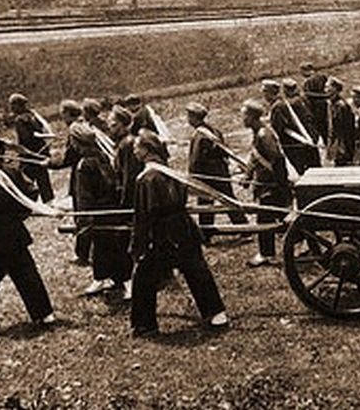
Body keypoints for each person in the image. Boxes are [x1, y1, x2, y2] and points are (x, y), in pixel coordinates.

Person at [129, 130, 228, 337]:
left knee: (143, 278)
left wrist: (137, 246)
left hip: (162, 235)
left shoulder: (145, 178)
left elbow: (143, 216)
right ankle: (217, 314)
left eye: (137, 147)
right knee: (196, 270)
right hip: (184, 228)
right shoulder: (170, 171)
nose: (134, 150)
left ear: (147, 150)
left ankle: (145, 326)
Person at [0, 133, 56, 331]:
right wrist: (18, 216)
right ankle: (44, 314)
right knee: (27, 273)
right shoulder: (11, 171)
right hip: (15, 233)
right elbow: (31, 193)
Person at [71, 123, 132, 299]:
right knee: (102, 247)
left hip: (99, 211)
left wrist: (83, 219)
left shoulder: (84, 165)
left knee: (113, 246)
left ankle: (127, 283)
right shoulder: (103, 155)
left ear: (77, 143)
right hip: (112, 207)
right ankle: (102, 277)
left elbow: (84, 196)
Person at [242, 99, 291, 267]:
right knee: (283, 216)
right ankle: (307, 239)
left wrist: (279, 185)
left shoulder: (264, 135)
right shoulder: (259, 133)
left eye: (244, 115)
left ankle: (265, 254)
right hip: (268, 185)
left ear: (252, 117)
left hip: (270, 186)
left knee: (265, 220)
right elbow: (255, 159)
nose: (242, 119)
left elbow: (277, 159)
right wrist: (248, 177)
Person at [186, 102, 248, 228]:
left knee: (206, 202)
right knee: (228, 199)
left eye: (189, 116)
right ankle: (241, 224)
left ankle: (207, 230)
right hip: (220, 171)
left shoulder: (200, 135)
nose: (188, 119)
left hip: (208, 174)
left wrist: (193, 175)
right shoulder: (214, 130)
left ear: (193, 117)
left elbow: (196, 160)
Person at [48, 100, 89, 264]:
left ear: (67, 113)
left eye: (62, 113)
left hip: (82, 174)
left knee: (81, 214)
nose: (61, 117)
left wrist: (50, 163)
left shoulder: (75, 130)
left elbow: (68, 158)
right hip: (83, 171)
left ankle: (83, 254)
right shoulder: (83, 124)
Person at [8, 92, 54, 203]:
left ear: (19, 106)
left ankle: (26, 202)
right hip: (40, 152)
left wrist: (17, 149)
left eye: (12, 105)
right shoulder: (33, 116)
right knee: (42, 177)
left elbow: (26, 138)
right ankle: (49, 201)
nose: (11, 107)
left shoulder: (20, 120)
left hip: (29, 154)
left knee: (24, 180)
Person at [270, 79, 321, 175]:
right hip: (311, 140)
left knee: (304, 171)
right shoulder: (303, 99)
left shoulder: (281, 106)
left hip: (295, 144)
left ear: (284, 90)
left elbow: (279, 127)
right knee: (316, 167)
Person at [326, 77, 356, 166]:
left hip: (342, 145)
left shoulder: (341, 106)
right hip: (336, 143)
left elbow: (346, 130)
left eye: (328, 87)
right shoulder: (332, 103)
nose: (325, 90)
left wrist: (341, 147)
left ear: (335, 89)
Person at [300, 62, 329, 145]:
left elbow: (309, 95)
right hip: (324, 104)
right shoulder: (322, 76)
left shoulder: (307, 82)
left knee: (319, 127)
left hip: (315, 107)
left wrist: (305, 94)